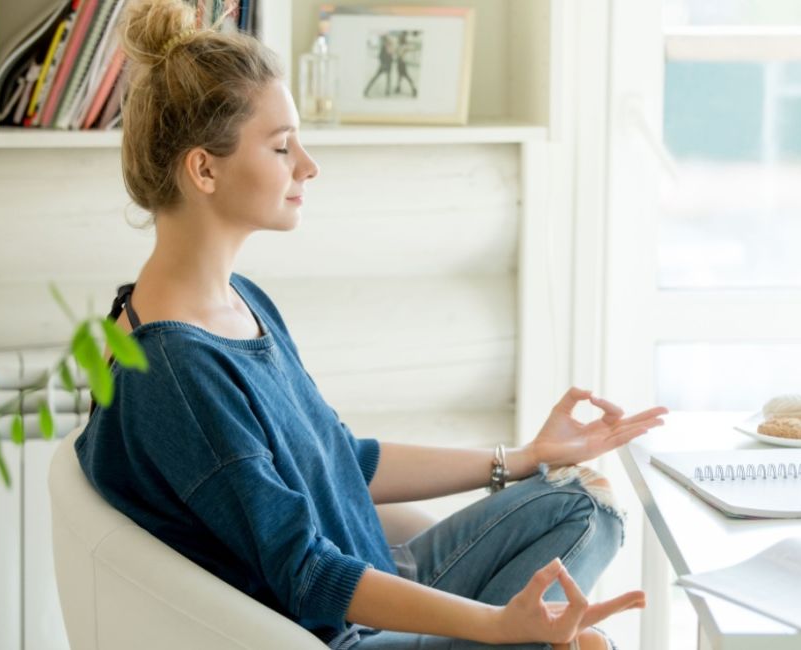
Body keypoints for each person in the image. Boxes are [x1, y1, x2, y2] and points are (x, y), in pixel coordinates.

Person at [75, 2, 668, 649]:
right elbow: (306, 572)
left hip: (382, 578)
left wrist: (522, 459)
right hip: (342, 633)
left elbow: (343, 461)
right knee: (556, 625)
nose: (308, 165)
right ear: (204, 169)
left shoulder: (238, 302)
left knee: (585, 505)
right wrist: (498, 626)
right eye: (281, 146)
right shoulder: (177, 372)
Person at [363, 33, 395, 98]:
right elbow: (380, 56)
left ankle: (387, 91)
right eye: (387, 40)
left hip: (387, 66)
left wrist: (390, 57)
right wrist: (383, 63)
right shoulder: (384, 47)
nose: (388, 41)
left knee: (388, 79)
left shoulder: (388, 46)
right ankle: (366, 90)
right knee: (376, 78)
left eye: (388, 40)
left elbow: (390, 56)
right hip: (384, 66)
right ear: (386, 41)